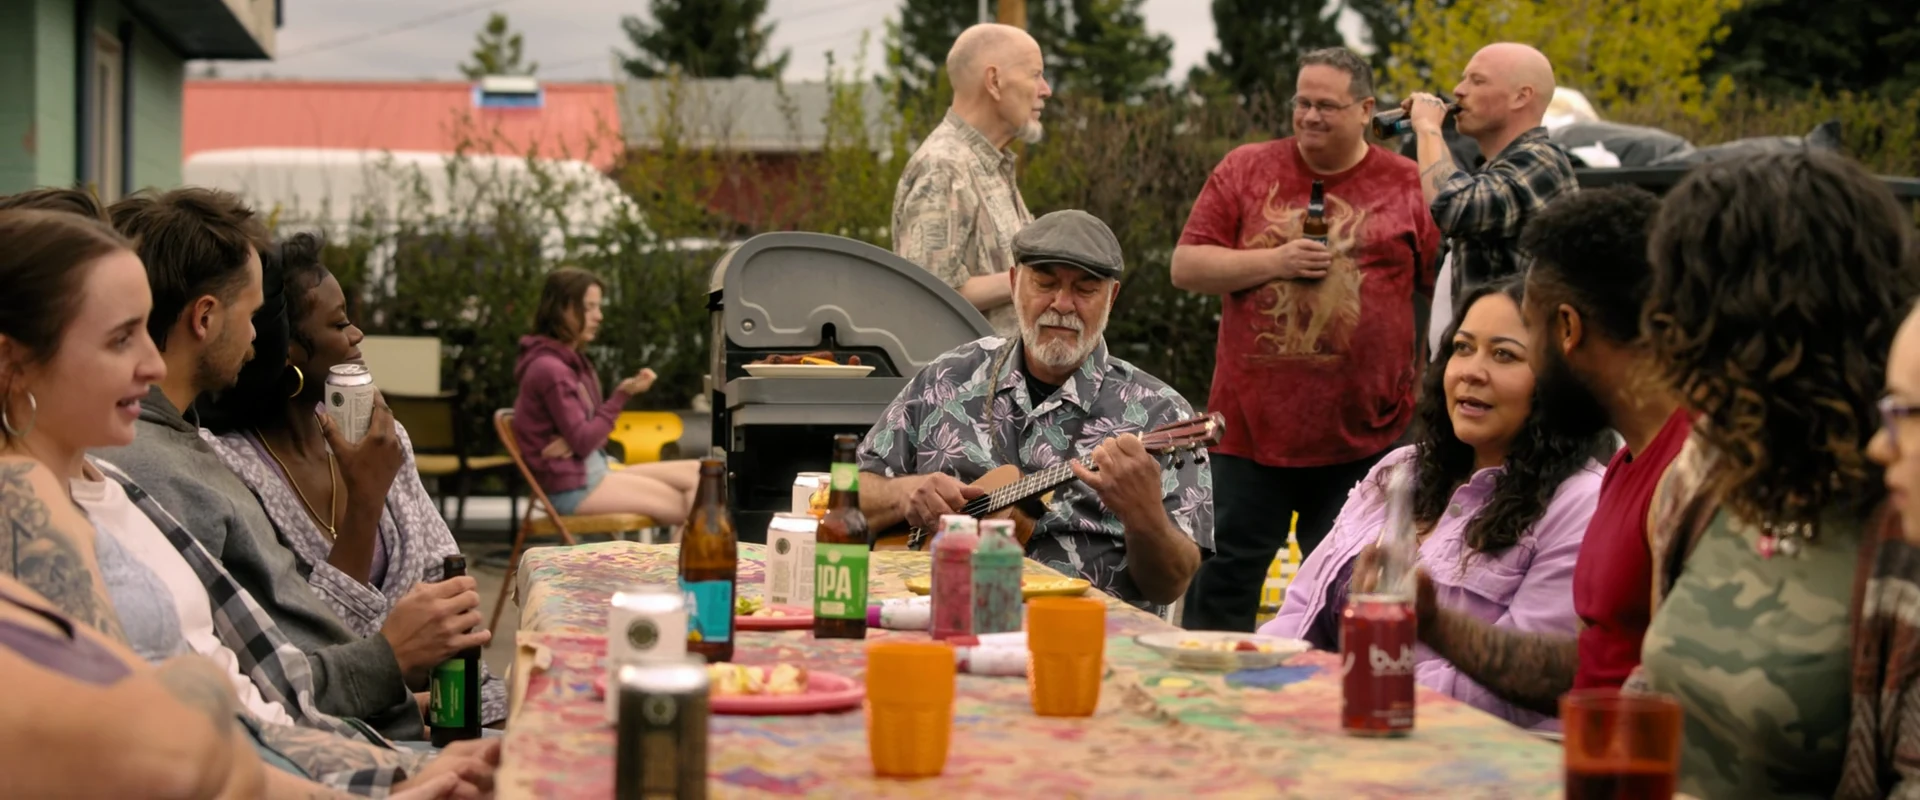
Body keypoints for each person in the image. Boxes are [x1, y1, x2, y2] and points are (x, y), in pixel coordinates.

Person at [0, 209, 496, 797]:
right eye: (120, 338)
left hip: (337, 752)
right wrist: (388, 761)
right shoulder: (50, 497)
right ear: (13, 364)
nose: (152, 364)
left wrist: (395, 772)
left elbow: (260, 696)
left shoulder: (117, 484)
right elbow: (160, 737)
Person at [92, 188, 466, 741]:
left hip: (375, 725)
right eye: (252, 314)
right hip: (336, 748)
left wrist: (404, 692)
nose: (258, 335)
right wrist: (390, 657)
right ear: (205, 318)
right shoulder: (159, 470)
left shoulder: (183, 448)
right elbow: (246, 696)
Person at [1635, 151, 1920, 796]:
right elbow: (1661, 681)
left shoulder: (1904, 517)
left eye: (1684, 297)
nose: (1661, 322)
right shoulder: (1708, 471)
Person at [1171, 47, 1440, 631]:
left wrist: (1426, 383)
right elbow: (1186, 266)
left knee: (1351, 594)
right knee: (1221, 588)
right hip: (1248, 433)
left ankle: (1334, 689)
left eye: (1327, 105)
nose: (1310, 116)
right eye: (1302, 102)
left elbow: (1438, 290)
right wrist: (1276, 261)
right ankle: (1210, 686)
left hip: (1365, 438)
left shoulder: (1405, 182)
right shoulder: (1246, 168)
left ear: (1367, 109)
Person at [1263, 278, 1608, 729]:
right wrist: (1256, 674)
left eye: (1504, 355)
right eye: (1463, 348)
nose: (1471, 371)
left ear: (1557, 380)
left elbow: (1515, 690)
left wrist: (1338, 693)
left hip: (1454, 750)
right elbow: (1300, 609)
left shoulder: (1580, 505)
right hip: (1316, 721)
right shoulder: (1400, 469)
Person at [1403, 186, 1686, 716]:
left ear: (1567, 329)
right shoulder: (1626, 466)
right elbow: (1588, 668)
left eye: (1525, 337)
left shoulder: (1687, 474)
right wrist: (1433, 623)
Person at [202, 232, 506, 725]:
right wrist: (364, 503)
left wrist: (443, 660)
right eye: (340, 322)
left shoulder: (380, 439)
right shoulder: (231, 468)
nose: (357, 334)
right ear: (288, 351)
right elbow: (310, 653)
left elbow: (444, 580)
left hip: (452, 699)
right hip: (348, 727)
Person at [858, 210, 1209, 613]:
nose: (1062, 304)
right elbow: (846, 500)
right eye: (1045, 283)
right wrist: (904, 493)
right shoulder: (946, 378)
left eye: (1085, 289)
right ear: (1013, 283)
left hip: (1084, 635)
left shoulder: (1162, 413)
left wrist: (1142, 514)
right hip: (939, 618)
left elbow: (1171, 584)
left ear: (1111, 298)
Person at [891, 22, 1050, 337]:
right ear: (994, 81)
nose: (1045, 90)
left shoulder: (987, 163)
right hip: (967, 371)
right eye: (1035, 75)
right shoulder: (944, 167)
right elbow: (927, 292)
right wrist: (1039, 277)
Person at [512, 267, 698, 523]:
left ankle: (689, 549)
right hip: (574, 486)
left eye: (598, 307)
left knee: (700, 474)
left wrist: (577, 438)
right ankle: (692, 550)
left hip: (593, 468)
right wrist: (620, 396)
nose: (599, 316)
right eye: (589, 307)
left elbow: (590, 436)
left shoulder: (572, 362)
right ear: (561, 309)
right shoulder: (551, 369)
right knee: (691, 508)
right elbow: (586, 439)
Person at [1404, 42, 1576, 301]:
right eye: (1463, 79)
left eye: (1477, 81)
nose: (1458, 90)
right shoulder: (1494, 168)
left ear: (1521, 97)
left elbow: (1455, 208)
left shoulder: (1541, 161)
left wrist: (1428, 128)